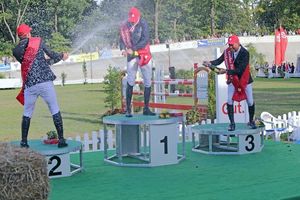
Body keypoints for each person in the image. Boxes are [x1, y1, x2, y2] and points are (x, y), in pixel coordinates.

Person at [13, 24, 69, 148]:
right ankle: (61, 140)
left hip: (30, 84)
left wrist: (52, 60)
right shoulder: (37, 41)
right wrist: (62, 56)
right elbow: (52, 55)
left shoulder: (15, 51)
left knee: (27, 112)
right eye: (30, 32)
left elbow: (31, 64)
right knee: (54, 108)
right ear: (27, 34)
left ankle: (24, 141)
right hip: (45, 82)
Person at [203, 35, 256, 131]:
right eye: (229, 45)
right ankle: (232, 123)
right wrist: (209, 63)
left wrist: (226, 71)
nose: (230, 47)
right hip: (232, 80)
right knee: (229, 101)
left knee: (250, 101)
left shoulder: (245, 53)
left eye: (232, 45)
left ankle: (251, 121)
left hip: (245, 80)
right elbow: (219, 61)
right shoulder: (227, 52)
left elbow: (240, 70)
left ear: (237, 43)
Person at [119, 7, 155, 117]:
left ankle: (146, 108)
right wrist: (123, 49)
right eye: (131, 19)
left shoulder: (143, 24)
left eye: (134, 19)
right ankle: (128, 109)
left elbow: (145, 40)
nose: (132, 21)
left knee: (147, 81)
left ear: (138, 17)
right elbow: (121, 39)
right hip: (131, 55)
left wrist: (133, 49)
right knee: (130, 80)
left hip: (143, 54)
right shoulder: (125, 25)